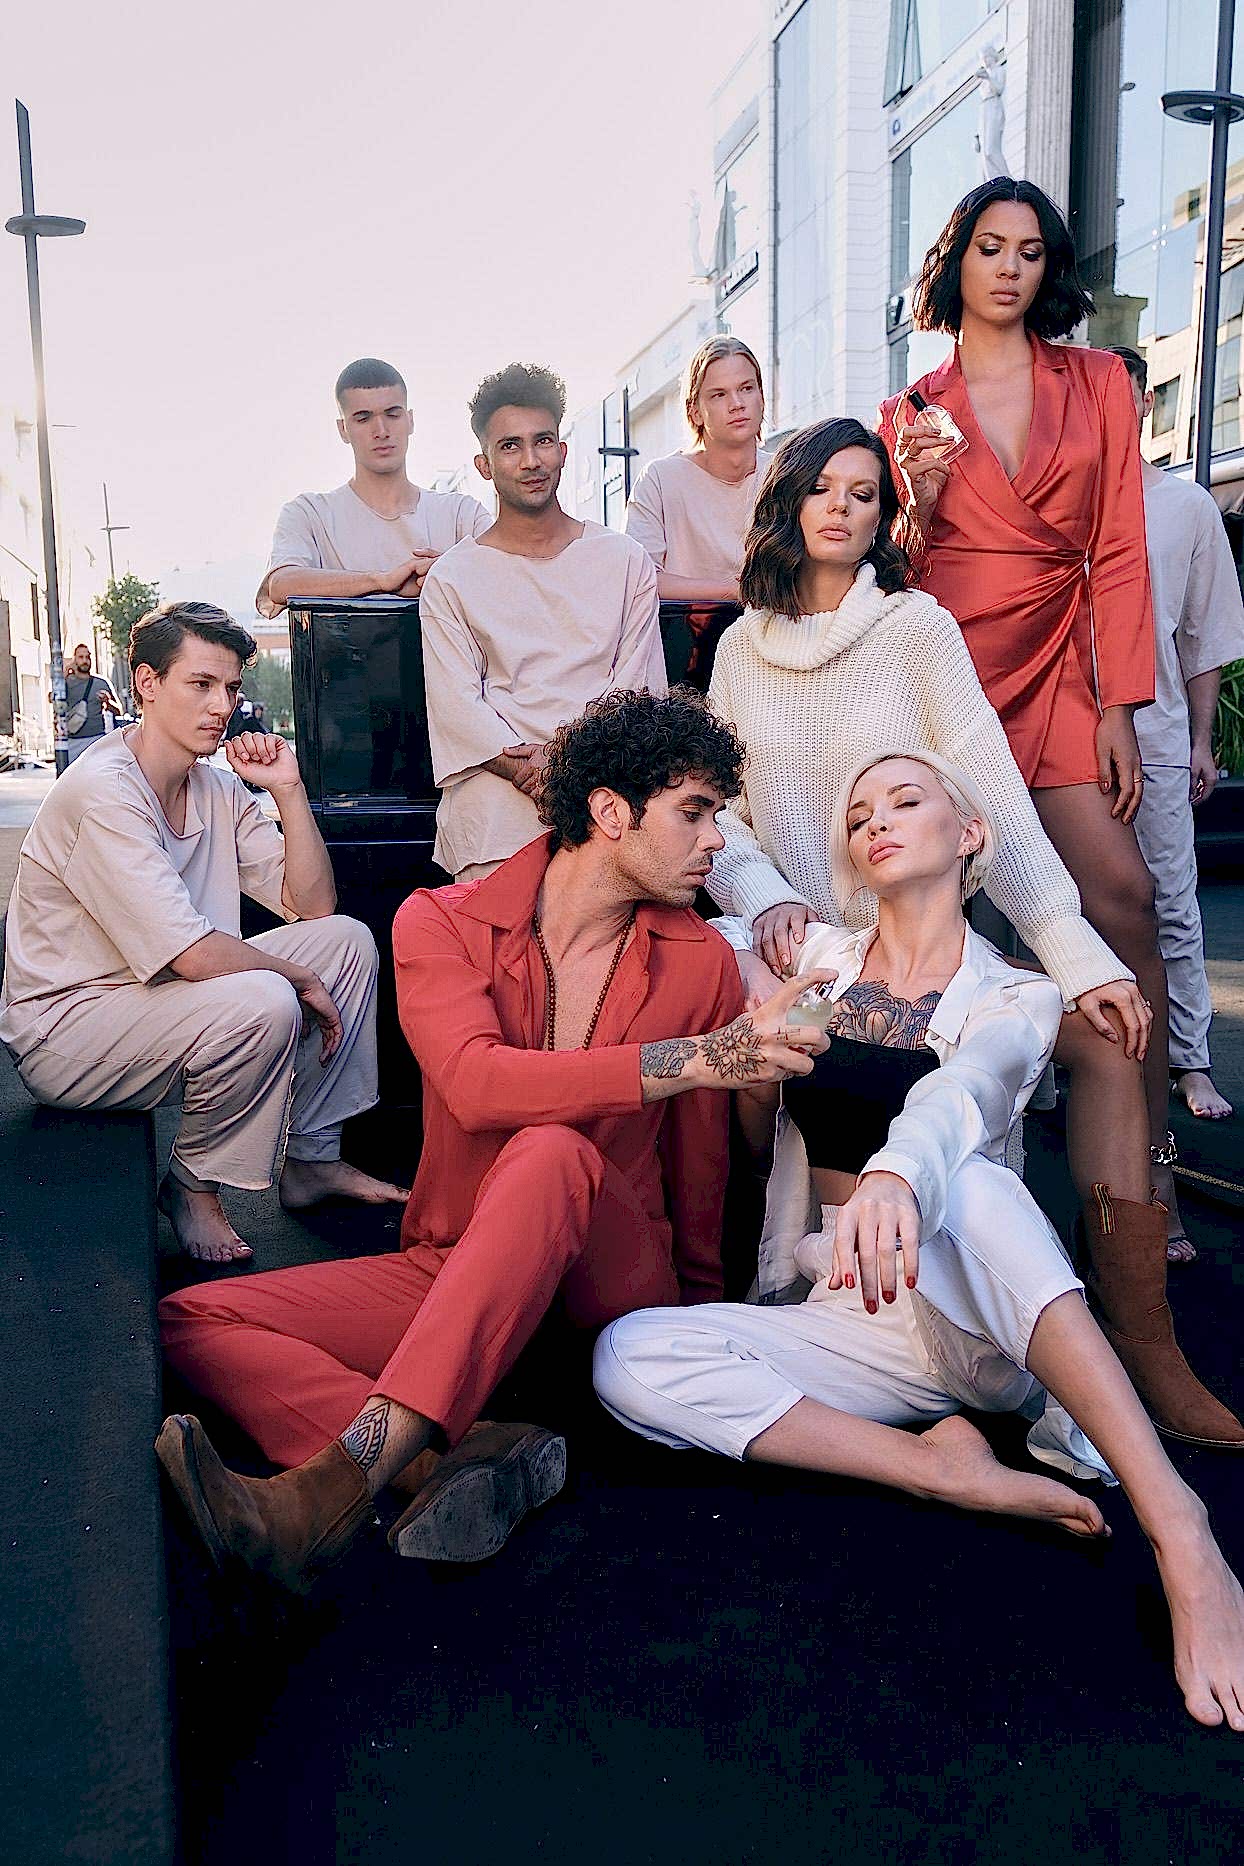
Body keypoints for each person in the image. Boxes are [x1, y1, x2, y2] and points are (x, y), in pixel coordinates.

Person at [596, 751, 1244, 1733]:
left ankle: (1179, 1527)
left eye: (905, 800)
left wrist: (899, 1172)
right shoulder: (816, 965)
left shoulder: (1015, 995)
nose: (878, 822)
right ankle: (936, 1467)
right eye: (859, 815)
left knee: (969, 1186)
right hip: (848, 1306)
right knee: (627, 1356)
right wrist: (757, 1072)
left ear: (969, 832)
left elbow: (967, 1088)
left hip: (974, 1309)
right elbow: (754, 1128)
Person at [155, 689, 829, 1588]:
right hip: (458, 1265)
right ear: (611, 812)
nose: (716, 841)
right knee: (191, 1320)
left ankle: (328, 1492)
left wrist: (696, 1332)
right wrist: (696, 1058)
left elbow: (695, 1172)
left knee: (553, 1151)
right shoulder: (440, 921)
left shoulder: (700, 957)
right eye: (695, 812)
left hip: (609, 1291)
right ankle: (453, 1459)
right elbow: (474, 1086)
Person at [703, 415, 1241, 1447]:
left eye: (865, 494)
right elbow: (720, 813)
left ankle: (1140, 1334)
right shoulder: (738, 649)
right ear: (787, 499)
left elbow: (988, 787)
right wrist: (762, 892)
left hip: (926, 951)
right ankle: (754, 1283)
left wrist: (1077, 955)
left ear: (882, 516)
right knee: (736, 1030)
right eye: (822, 488)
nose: (841, 509)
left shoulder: (915, 628)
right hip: (807, 963)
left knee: (1108, 1033)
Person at [876, 178, 1192, 1260]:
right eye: (988, 247)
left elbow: (1118, 548)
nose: (1008, 267)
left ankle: (1153, 1164)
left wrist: (1118, 703)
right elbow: (898, 568)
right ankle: (950, 1186)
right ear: (955, 263)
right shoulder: (911, 410)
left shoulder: (1097, 380)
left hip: (1063, 667)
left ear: (1047, 268)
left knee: (1125, 899)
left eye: (1028, 250)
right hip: (953, 678)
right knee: (946, 927)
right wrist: (914, 499)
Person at [0, 600, 406, 1265]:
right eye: (201, 684)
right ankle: (193, 1185)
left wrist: (288, 789)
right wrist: (296, 978)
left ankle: (311, 1158)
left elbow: (314, 905)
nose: (222, 706)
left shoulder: (214, 787)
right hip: (68, 1028)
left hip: (156, 998)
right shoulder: (103, 791)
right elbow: (190, 954)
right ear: (147, 683)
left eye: (232, 688)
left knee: (346, 942)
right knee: (266, 998)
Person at [419, 362, 667, 882]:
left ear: (563, 451)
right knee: (489, 858)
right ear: (484, 465)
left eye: (543, 441)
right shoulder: (452, 577)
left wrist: (571, 766)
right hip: (499, 785)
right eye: (510, 446)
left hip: (607, 779)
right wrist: (531, 769)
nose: (531, 461)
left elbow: (638, 691)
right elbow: (457, 705)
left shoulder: (624, 559)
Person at [1110, 344, 1244, 1126]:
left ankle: (1191, 1062)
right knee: (1060, 904)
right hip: (1063, 743)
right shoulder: (1059, 502)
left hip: (1157, 738)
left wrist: (1200, 740)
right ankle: (1055, 1070)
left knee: (1172, 903)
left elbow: (1203, 635)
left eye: (1123, 391)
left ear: (1146, 402)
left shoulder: (1187, 506)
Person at [256, 357, 491, 619]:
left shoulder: (461, 514)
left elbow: (509, 575)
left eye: (392, 414)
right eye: (363, 418)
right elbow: (281, 583)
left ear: (410, 420)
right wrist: (382, 581)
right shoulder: (310, 514)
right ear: (343, 429)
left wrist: (450, 572)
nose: (381, 430)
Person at [625, 335, 772, 601]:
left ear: (761, 397)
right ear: (695, 411)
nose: (737, 404)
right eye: (719, 395)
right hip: (685, 625)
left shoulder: (784, 475)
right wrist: (738, 591)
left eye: (747, 388)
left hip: (777, 624)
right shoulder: (660, 480)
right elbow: (639, 579)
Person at [56, 643, 121, 764]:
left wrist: (108, 702)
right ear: (74, 660)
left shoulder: (102, 682)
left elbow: (119, 711)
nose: (85, 661)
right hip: (73, 741)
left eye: (88, 657)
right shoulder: (67, 683)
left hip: (97, 739)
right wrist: (66, 671)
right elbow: (53, 699)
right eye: (81, 657)